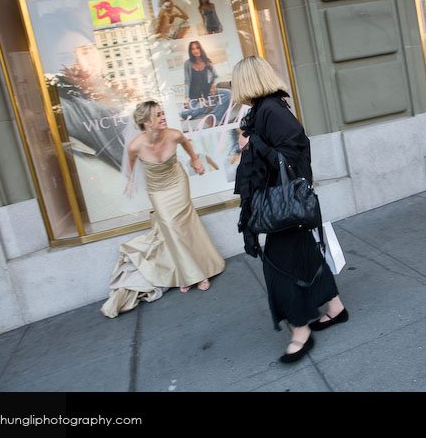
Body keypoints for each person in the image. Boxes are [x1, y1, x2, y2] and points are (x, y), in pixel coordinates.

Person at [232, 55, 348, 364]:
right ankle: (335, 308)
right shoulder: (264, 109)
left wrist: (252, 145)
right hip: (281, 201)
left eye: (236, 81)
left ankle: (300, 332)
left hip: (283, 201)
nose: (234, 88)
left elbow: (293, 154)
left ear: (247, 81)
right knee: (305, 255)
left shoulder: (270, 110)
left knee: (278, 270)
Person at [100, 101, 225, 317]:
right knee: (170, 227)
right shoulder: (135, 146)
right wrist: (130, 181)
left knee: (184, 226)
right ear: (147, 122)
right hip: (158, 190)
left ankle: (201, 273)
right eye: (158, 115)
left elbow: (186, 143)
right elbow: (130, 164)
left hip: (177, 182)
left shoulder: (174, 134)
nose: (163, 117)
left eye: (163, 113)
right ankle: (187, 275)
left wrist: (195, 160)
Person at [180, 41, 232, 125]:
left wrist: (213, 85)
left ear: (200, 49)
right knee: (183, 114)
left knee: (228, 93)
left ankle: (212, 116)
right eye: (193, 49)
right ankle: (207, 109)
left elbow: (216, 76)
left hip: (208, 92)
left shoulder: (207, 61)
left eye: (197, 48)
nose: (195, 50)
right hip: (194, 96)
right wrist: (186, 98)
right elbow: (187, 81)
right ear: (190, 51)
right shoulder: (188, 63)